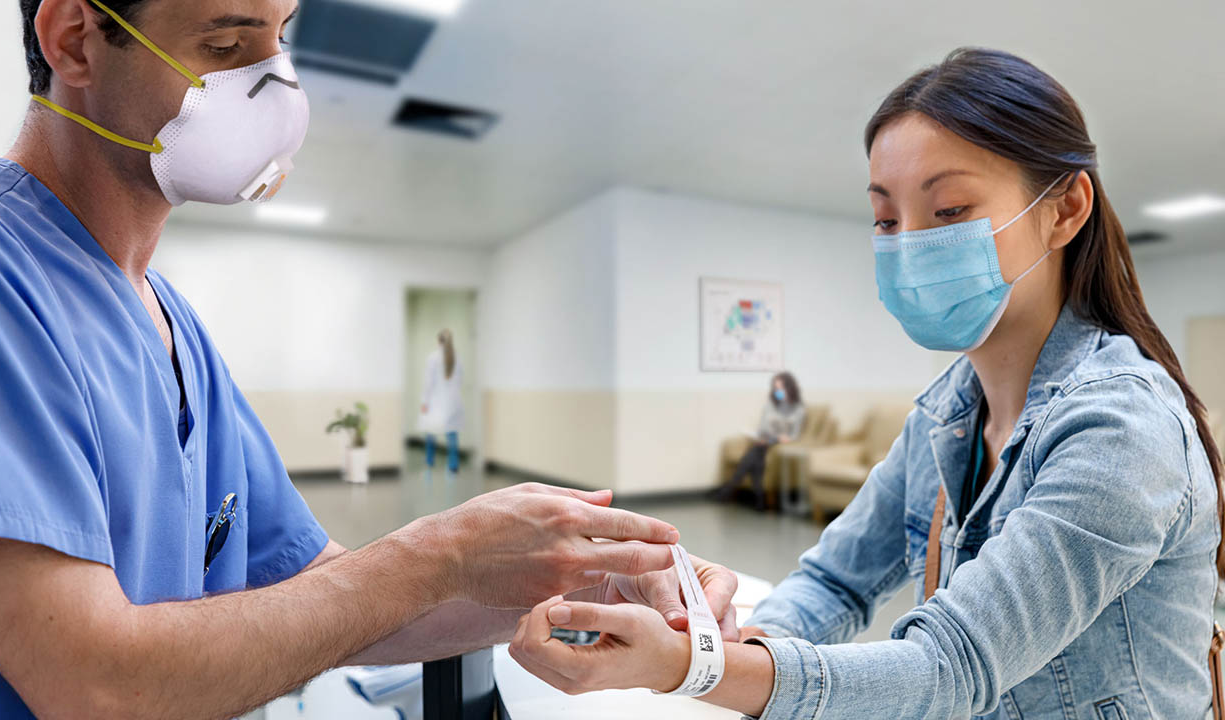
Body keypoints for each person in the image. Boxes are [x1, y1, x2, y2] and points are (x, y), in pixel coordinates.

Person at [0, 1, 739, 716]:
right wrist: (439, 553)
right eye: (227, 42)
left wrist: (574, 577)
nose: (277, 90)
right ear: (76, 41)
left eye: (280, 40)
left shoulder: (171, 321)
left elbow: (318, 599)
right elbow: (93, 688)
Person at [510, 48, 1223, 719]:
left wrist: (689, 669)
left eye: (948, 213)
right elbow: (834, 581)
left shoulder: (1121, 431)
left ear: (1065, 209)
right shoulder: (945, 415)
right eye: (886, 218)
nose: (910, 246)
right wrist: (719, 636)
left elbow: (949, 669)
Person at [715, 371, 806, 511]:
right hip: (766, 439)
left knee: (752, 456)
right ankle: (759, 499)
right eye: (776, 388)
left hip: (781, 442)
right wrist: (763, 436)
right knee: (757, 459)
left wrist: (781, 437)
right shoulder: (771, 404)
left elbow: (794, 434)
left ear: (789, 387)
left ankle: (729, 490)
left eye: (780, 388)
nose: (778, 391)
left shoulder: (798, 408)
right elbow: (764, 426)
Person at [419, 329, 464, 473]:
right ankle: (453, 464)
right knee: (452, 433)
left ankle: (429, 461)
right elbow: (459, 380)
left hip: (436, 401)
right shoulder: (457, 357)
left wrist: (425, 401)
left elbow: (428, 382)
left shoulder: (433, 358)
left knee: (431, 431)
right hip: (453, 401)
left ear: (438, 341)